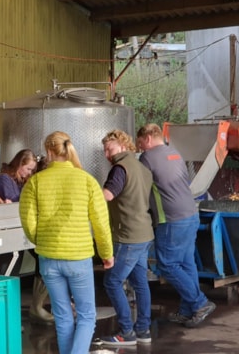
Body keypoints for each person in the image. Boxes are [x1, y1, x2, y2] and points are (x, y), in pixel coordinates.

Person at [19, 131, 114, 354]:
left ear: (49, 151)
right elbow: (101, 223)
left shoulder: (35, 182)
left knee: (63, 318)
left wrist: (43, 241)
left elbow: (29, 223)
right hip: (79, 258)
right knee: (86, 316)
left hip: (49, 260)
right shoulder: (87, 180)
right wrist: (107, 253)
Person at [136, 123, 215, 328]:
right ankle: (188, 311)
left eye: (140, 143)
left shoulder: (147, 158)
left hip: (170, 219)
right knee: (187, 264)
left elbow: (139, 187)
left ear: (148, 138)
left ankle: (200, 303)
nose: (140, 148)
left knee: (168, 265)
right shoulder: (174, 153)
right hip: (190, 213)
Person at [96, 130, 154, 347]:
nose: (105, 154)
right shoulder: (142, 167)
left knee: (112, 281)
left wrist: (88, 194)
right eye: (104, 150)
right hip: (144, 233)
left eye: (109, 149)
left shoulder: (120, 169)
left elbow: (107, 195)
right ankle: (143, 330)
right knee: (140, 283)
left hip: (127, 236)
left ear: (122, 145)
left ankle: (126, 333)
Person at [0, 148, 51, 323]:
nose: (29, 173)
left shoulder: (20, 181)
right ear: (19, 165)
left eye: (32, 170)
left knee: (43, 258)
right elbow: (14, 201)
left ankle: (37, 304)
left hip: (22, 228)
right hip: (8, 230)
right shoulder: (5, 179)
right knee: (8, 268)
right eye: (28, 169)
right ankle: (4, 311)